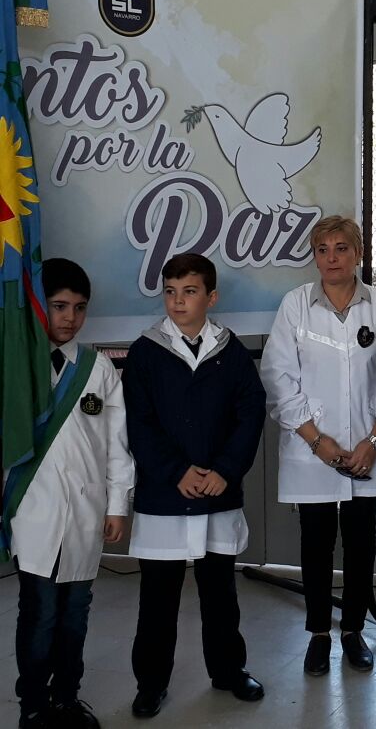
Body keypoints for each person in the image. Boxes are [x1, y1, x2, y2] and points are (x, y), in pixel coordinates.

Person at [122, 253, 267, 718]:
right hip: (165, 495)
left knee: (219, 592)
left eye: (189, 292)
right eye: (170, 292)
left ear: (211, 297)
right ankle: (150, 684)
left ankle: (228, 671)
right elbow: (139, 423)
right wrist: (176, 471)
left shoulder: (231, 350)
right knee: (158, 598)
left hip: (217, 491)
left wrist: (225, 469)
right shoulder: (145, 352)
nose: (178, 301)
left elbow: (250, 414)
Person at [261, 215, 376, 677]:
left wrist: (375, 439)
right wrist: (317, 440)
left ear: (357, 253)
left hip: (367, 448)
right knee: (316, 542)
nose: (332, 258)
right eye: (322, 250)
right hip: (312, 450)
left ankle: (354, 631)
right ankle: (319, 634)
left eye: (341, 248)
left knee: (361, 543)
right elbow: (279, 377)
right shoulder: (295, 305)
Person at [2, 259, 134, 729]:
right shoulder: (16, 367)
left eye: (79, 308)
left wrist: (117, 505)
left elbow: (117, 446)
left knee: (76, 612)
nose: (69, 318)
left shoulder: (98, 369)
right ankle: (34, 704)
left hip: (85, 511)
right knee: (39, 613)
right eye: (59, 306)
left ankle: (66, 699)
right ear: (40, 306)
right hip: (33, 511)